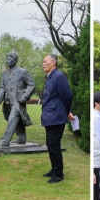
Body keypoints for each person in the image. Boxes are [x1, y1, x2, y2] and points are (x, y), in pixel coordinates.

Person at [40, 54, 74, 184]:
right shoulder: (50, 77)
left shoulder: (59, 76)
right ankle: (54, 169)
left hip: (56, 116)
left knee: (54, 144)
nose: (43, 64)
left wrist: (67, 111)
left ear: (53, 63)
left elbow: (67, 96)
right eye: (43, 62)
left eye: (45, 61)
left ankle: (59, 174)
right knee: (50, 144)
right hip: (50, 116)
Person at [0, 50, 36, 146]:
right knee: (14, 117)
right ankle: (21, 137)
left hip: (17, 101)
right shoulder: (4, 74)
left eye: (9, 59)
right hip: (8, 102)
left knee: (12, 118)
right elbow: (2, 87)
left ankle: (5, 140)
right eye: (6, 58)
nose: (7, 60)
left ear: (15, 60)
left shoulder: (22, 72)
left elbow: (32, 85)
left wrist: (24, 96)